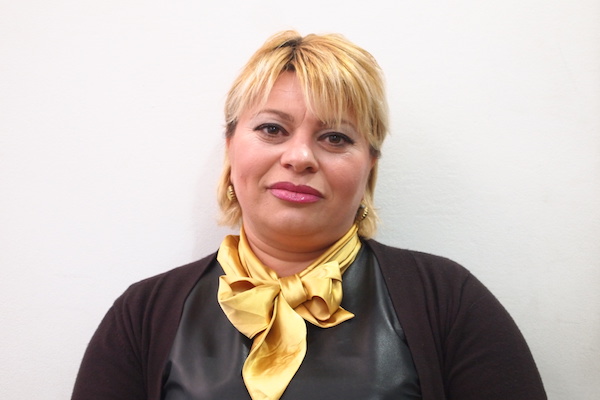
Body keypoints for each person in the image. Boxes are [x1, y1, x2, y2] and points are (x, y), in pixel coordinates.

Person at [71, 31, 547, 400]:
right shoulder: (142, 315)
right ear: (231, 146)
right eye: (272, 129)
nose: (300, 157)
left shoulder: (448, 302)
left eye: (335, 138)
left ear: (369, 165)